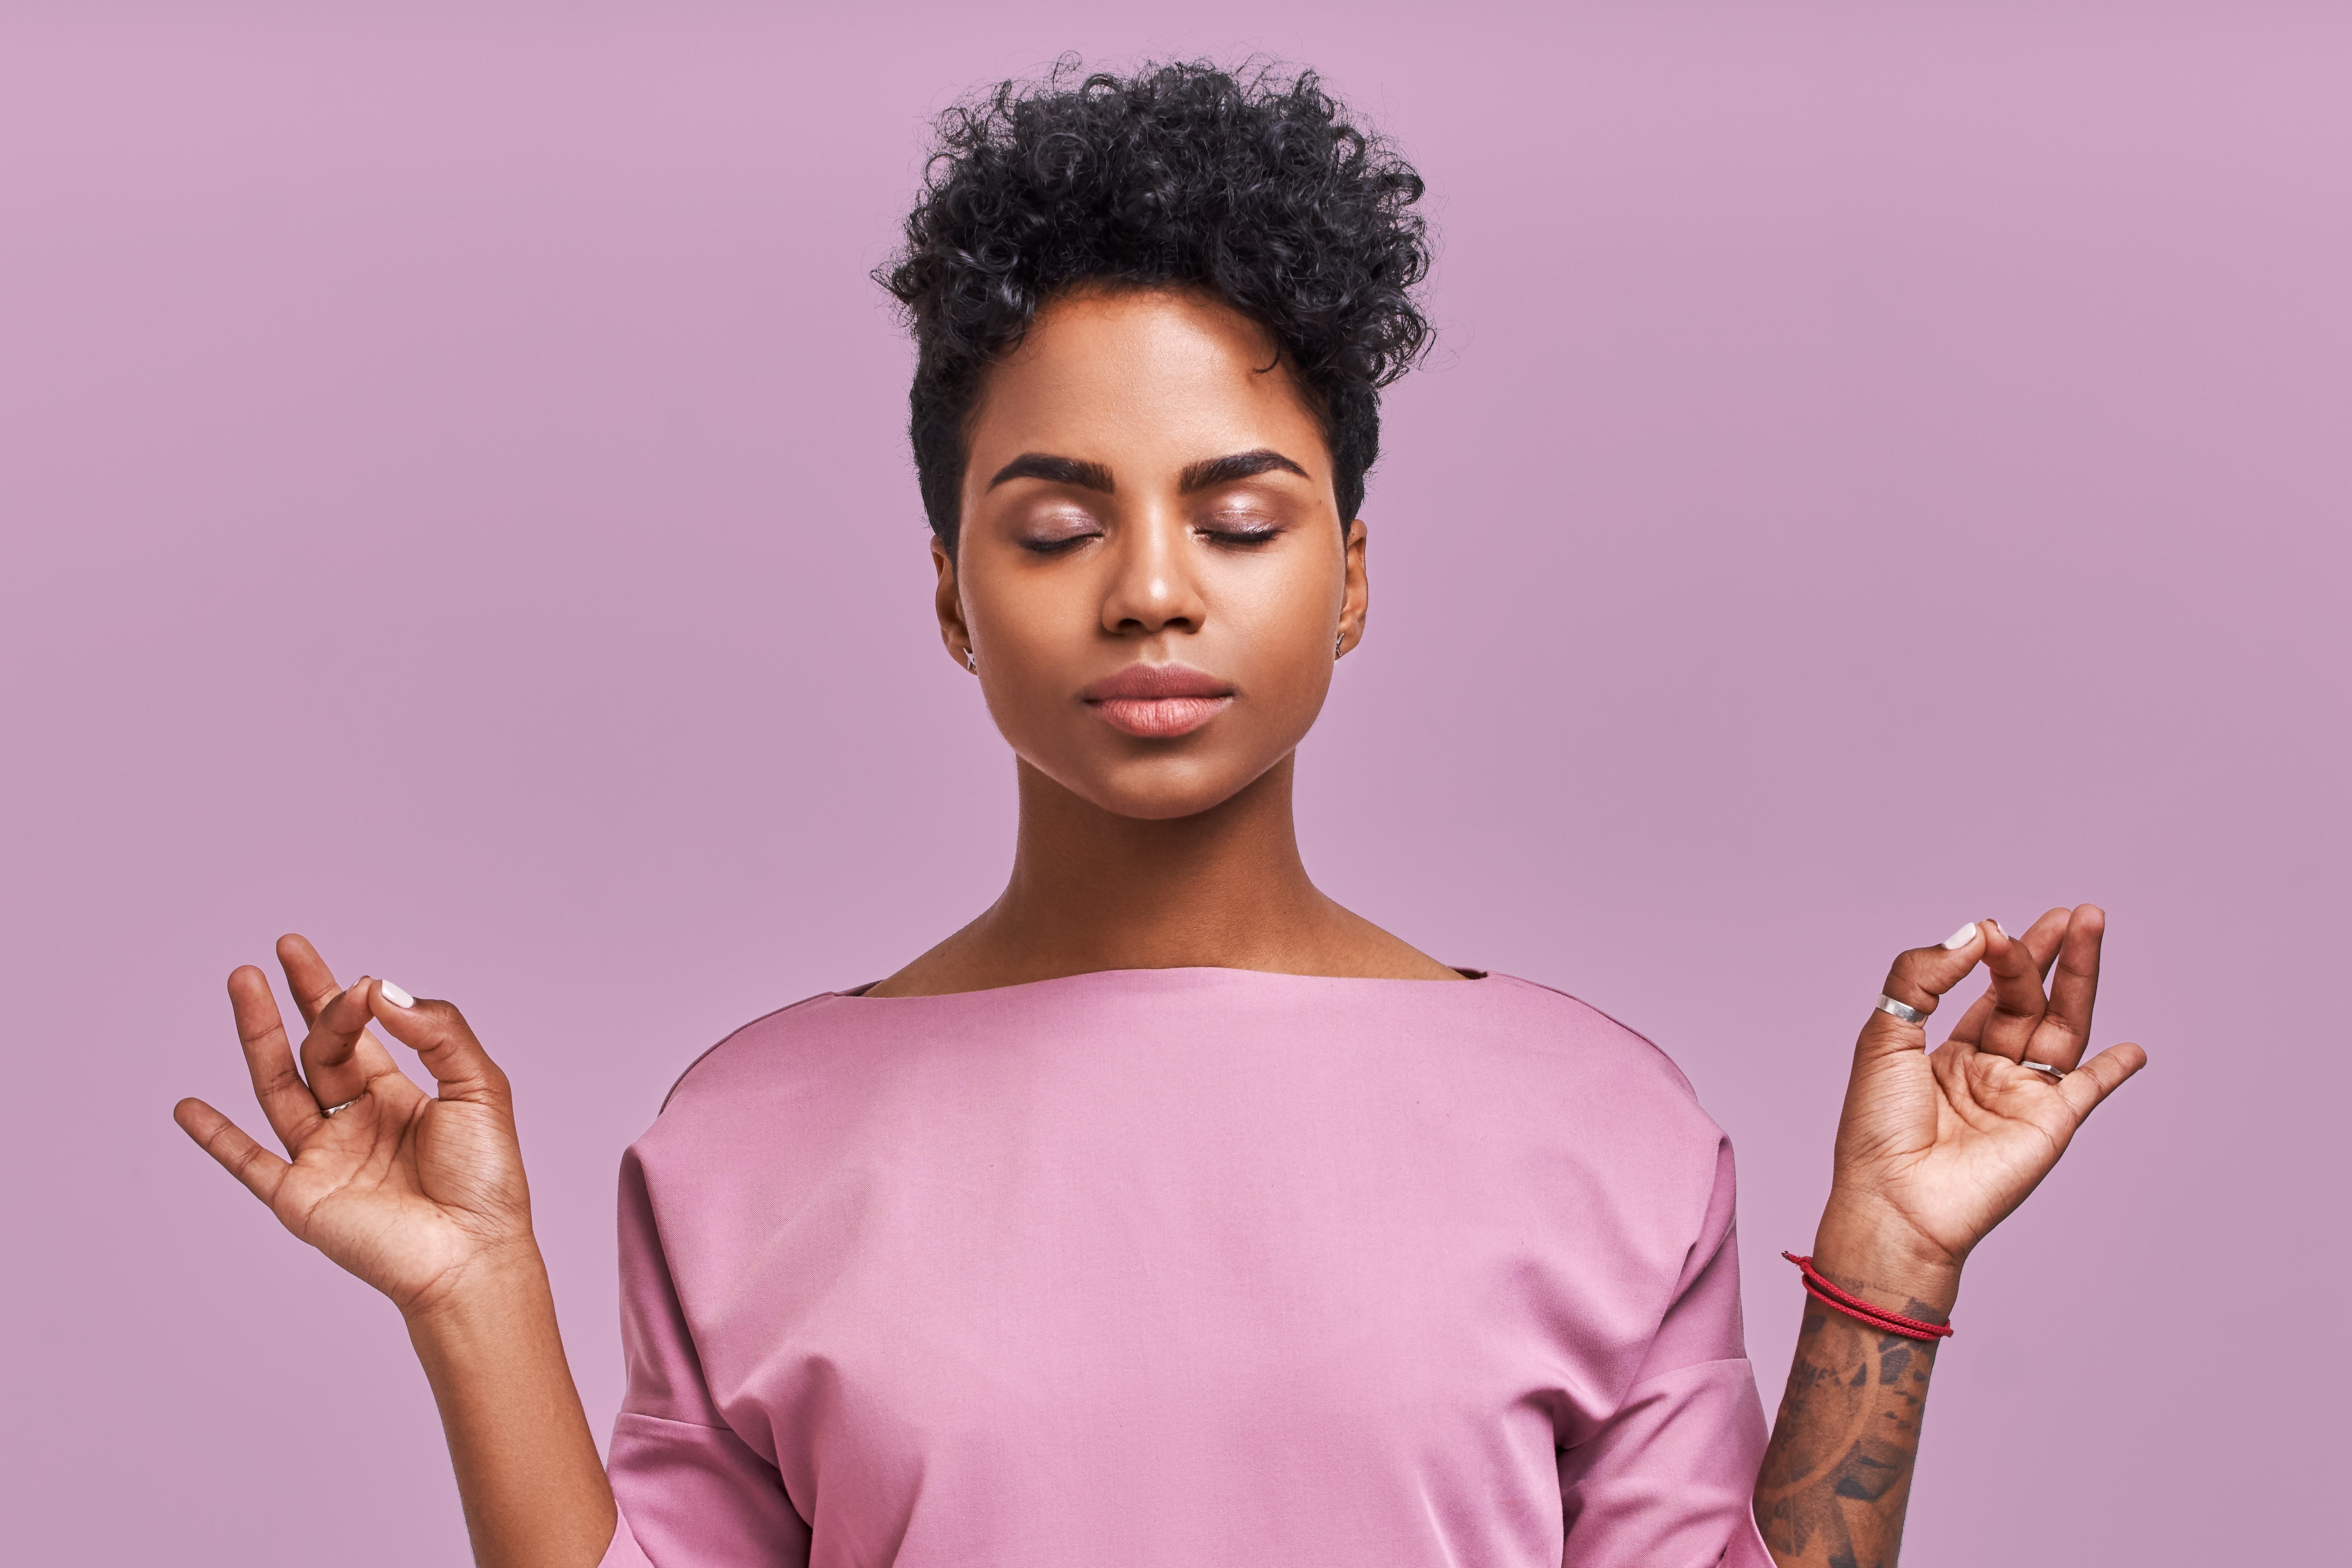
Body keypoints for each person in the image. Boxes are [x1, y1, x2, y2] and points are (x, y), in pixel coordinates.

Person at [172, 60, 2146, 1568]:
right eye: (1055, 523)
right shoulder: (744, 1138)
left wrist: (1891, 1251)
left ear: (1351, 575)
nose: (1152, 589)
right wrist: (476, 1295)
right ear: (952, 590)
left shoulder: (1602, 1121)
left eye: (1237, 514)